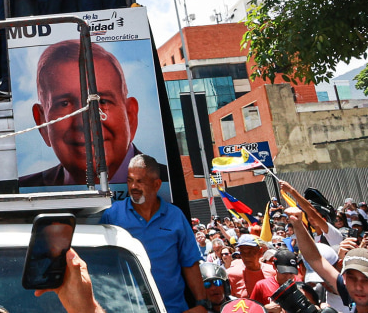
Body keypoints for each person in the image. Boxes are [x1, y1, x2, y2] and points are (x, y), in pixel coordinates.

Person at [19, 40, 139, 187]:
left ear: (130, 116)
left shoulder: (164, 182)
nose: (86, 122)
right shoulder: (28, 189)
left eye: (101, 101)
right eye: (64, 104)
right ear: (42, 123)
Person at [99, 154, 208, 313]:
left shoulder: (175, 216)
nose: (133, 187)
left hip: (173, 309)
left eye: (140, 181)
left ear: (157, 185)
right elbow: (102, 265)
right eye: (130, 180)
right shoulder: (112, 216)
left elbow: (190, 262)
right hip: (127, 308)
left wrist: (202, 303)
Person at [286, 206, 368, 313]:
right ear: (344, 279)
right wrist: (298, 224)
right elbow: (315, 259)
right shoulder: (351, 295)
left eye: (366, 280)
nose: (358, 286)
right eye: (352, 278)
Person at [226, 234, 275, 299]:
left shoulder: (273, 272)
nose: (246, 256)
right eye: (243, 252)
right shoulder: (231, 274)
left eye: (251, 251)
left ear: (260, 252)